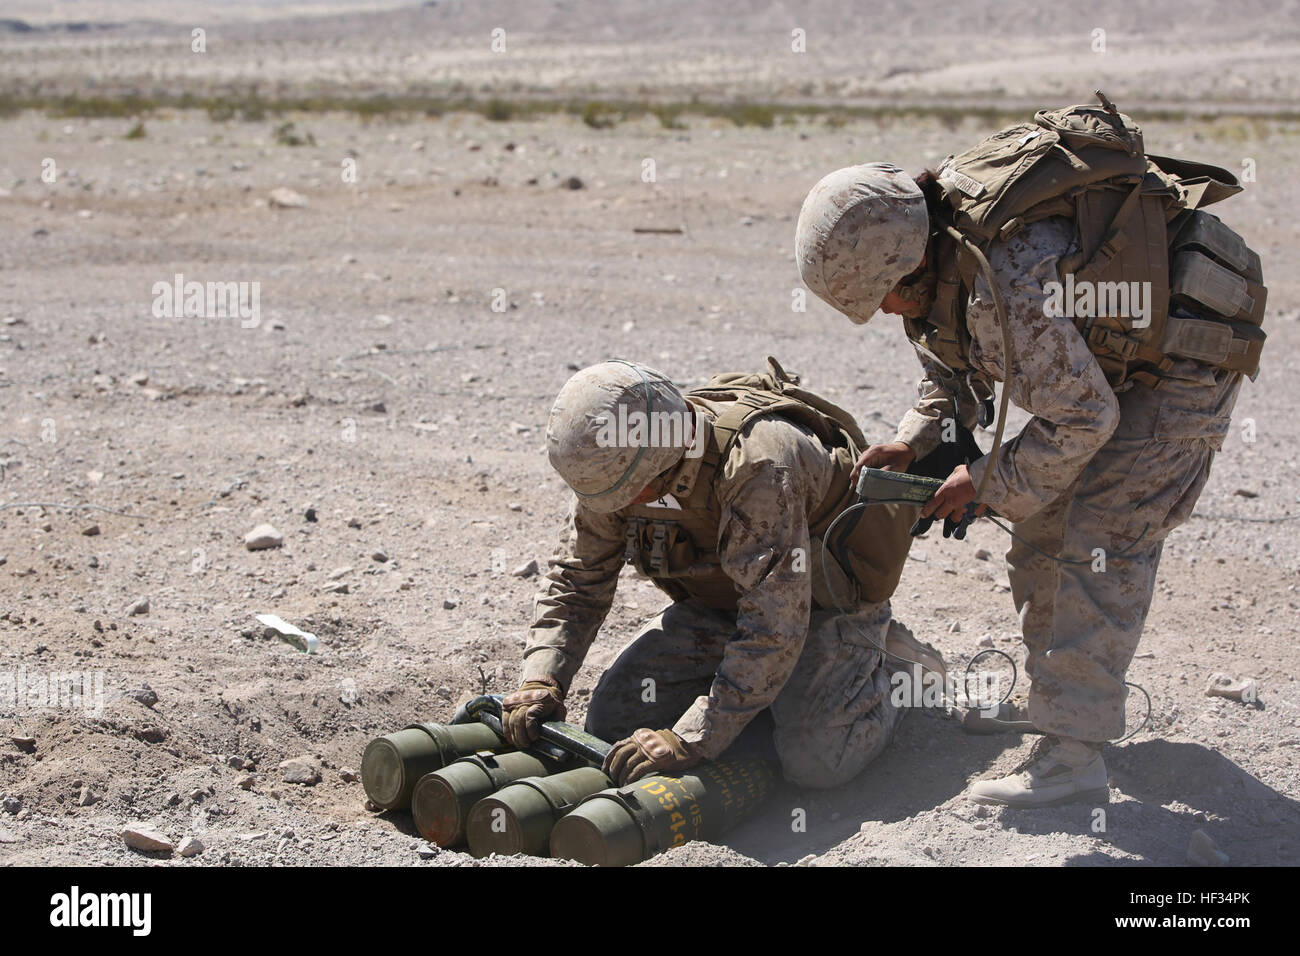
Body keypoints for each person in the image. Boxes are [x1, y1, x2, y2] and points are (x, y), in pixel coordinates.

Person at [794, 100, 1264, 807]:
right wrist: (914, 438)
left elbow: (1083, 419)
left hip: (1182, 365)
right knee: (1041, 526)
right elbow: (951, 368)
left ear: (901, 261)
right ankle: (1058, 710)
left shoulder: (1000, 281)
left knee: (1103, 537)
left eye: (883, 297)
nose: (888, 312)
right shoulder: (939, 247)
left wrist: (982, 480)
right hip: (1109, 362)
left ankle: (1073, 758)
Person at [499, 358, 943, 788]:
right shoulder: (619, 464)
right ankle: (772, 697)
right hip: (723, 606)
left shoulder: (760, 466)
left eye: (633, 495)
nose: (623, 507)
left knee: (818, 760)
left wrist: (693, 735)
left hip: (820, 609)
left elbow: (776, 623)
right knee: (614, 721)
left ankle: (896, 664)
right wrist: (543, 678)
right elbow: (578, 578)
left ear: (663, 461)